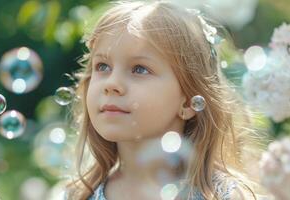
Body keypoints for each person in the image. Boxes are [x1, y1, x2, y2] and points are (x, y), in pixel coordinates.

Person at [64, 1, 264, 199]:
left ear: (187, 102)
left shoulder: (222, 196)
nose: (111, 83)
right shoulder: (78, 195)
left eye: (139, 69)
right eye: (102, 66)